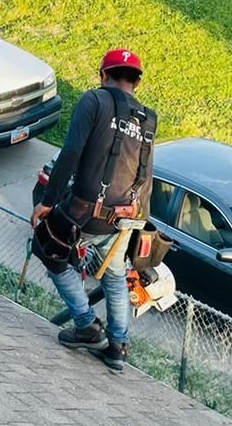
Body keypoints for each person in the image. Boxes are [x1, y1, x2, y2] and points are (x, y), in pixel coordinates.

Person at [32, 47, 158, 372]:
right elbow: (147, 174)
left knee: (48, 249)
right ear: (137, 83)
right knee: (115, 275)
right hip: (123, 216)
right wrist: (137, 219)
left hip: (84, 210)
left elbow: (71, 152)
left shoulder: (94, 101)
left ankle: (87, 325)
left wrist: (48, 202)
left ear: (104, 75)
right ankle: (118, 346)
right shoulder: (147, 119)